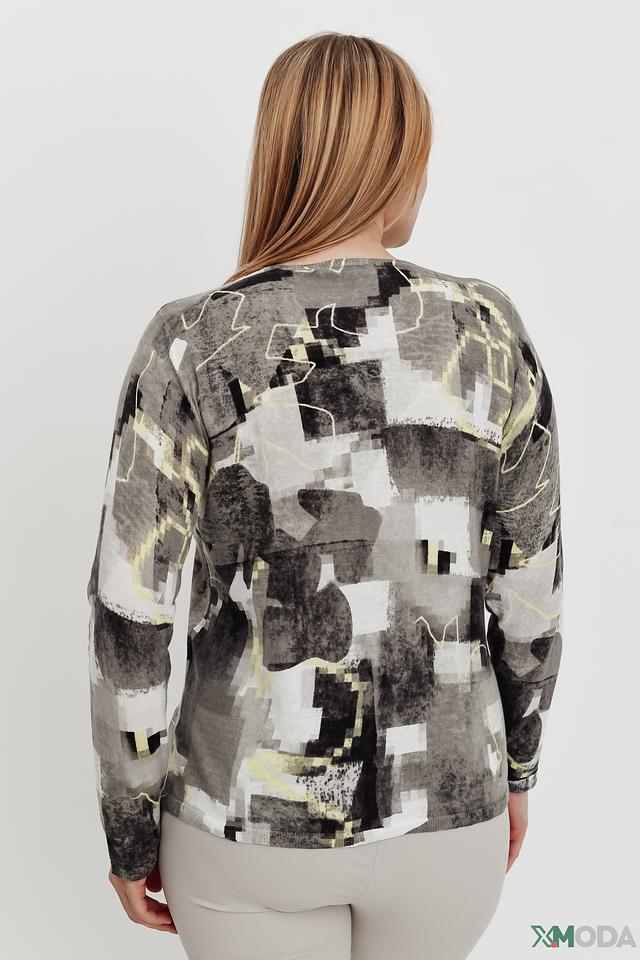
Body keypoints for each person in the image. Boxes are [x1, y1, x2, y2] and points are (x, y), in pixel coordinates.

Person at [87, 30, 563, 960]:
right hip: (446, 815)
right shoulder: (486, 332)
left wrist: (129, 830)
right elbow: (531, 590)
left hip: (245, 818)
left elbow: (129, 619)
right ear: (397, 160)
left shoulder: (191, 342)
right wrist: (517, 767)